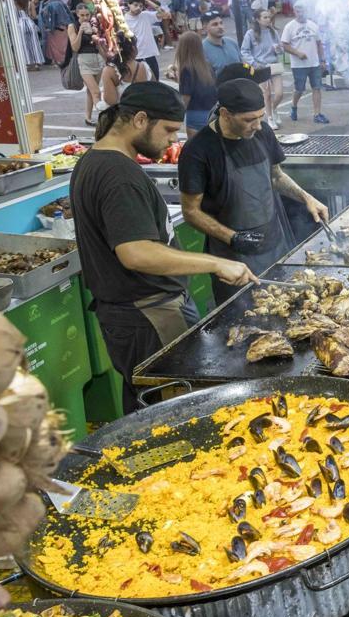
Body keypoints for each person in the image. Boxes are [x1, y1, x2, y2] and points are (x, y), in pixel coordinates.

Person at [71, 83, 256, 411]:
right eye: (169, 130)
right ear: (140, 120)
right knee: (174, 409)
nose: (174, 139)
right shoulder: (117, 175)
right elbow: (135, 252)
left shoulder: (98, 160)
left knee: (149, 404)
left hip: (138, 314)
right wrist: (215, 263)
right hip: (149, 314)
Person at [179, 69, 328, 303]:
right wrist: (233, 237)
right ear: (225, 114)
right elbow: (190, 211)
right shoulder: (198, 150)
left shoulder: (263, 132)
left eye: (260, 117)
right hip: (232, 260)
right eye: (249, 120)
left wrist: (306, 198)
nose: (257, 125)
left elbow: (276, 176)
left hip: (274, 245)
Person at [280, 4, 329, 125]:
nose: (300, 13)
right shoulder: (289, 27)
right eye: (298, 11)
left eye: (302, 11)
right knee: (299, 89)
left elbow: (319, 43)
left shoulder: (313, 25)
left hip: (314, 63)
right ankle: (293, 107)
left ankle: (317, 114)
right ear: (294, 12)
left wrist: (322, 60)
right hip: (298, 65)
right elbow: (285, 45)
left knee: (316, 88)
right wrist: (297, 53)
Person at [240, 9, 284, 129]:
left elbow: (281, 50)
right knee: (267, 94)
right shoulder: (250, 33)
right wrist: (253, 63)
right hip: (260, 67)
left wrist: (279, 49)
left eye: (269, 17)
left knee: (279, 93)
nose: (268, 19)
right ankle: (269, 118)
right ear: (258, 20)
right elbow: (244, 51)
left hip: (274, 65)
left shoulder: (273, 32)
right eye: (265, 17)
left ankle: (274, 110)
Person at [170, 31, 217, 137]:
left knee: (195, 149)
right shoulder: (207, 65)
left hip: (195, 113)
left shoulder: (186, 68)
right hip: (211, 111)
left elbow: (186, 97)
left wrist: (177, 115)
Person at [67, 2, 105, 126]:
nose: (85, 18)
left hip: (97, 58)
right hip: (83, 60)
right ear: (77, 15)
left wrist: (96, 36)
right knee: (96, 92)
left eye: (87, 15)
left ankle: (88, 118)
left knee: (90, 91)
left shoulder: (94, 24)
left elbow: (99, 45)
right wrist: (80, 32)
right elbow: (75, 47)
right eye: (82, 15)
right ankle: (102, 119)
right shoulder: (73, 26)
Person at [124, 0, 169, 81]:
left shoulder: (146, 15)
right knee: (138, 83)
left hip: (149, 55)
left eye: (141, 6)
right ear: (129, 4)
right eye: (135, 5)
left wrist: (147, 1)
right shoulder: (123, 19)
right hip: (135, 57)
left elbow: (164, 14)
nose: (138, 8)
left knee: (155, 81)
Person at [99, 34, 151, 109]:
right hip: (144, 113)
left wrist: (96, 99)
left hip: (124, 116)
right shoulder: (144, 66)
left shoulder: (109, 71)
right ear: (133, 48)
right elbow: (153, 89)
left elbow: (111, 101)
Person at [200, 10, 241, 75]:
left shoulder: (232, 43)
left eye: (221, 23)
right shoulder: (201, 49)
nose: (220, 27)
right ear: (205, 28)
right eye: (215, 24)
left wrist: (252, 71)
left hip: (240, 83)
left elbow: (244, 65)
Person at [39, 0, 74, 69]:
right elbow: (69, 15)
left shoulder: (48, 5)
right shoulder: (61, 3)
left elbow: (48, 17)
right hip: (64, 26)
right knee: (63, 45)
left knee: (55, 46)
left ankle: (57, 61)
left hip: (54, 28)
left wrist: (49, 27)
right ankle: (63, 61)